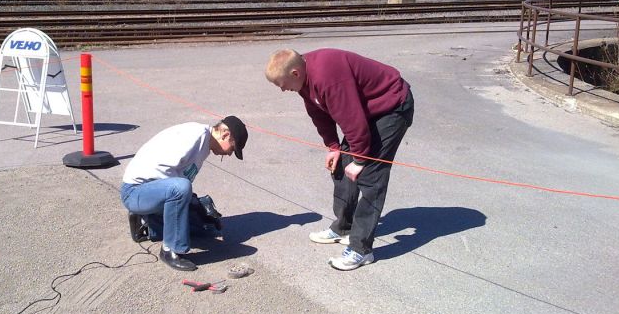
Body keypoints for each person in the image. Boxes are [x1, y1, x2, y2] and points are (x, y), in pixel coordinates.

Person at [265, 48, 414, 271]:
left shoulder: (328, 77)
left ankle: (361, 250)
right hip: (368, 111)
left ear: (295, 73)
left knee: (372, 176)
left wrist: (361, 160)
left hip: (392, 106)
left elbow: (352, 119)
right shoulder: (305, 78)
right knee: (341, 164)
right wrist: (334, 147)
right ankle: (344, 226)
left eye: (281, 84)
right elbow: (318, 113)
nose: (282, 89)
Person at [120, 116, 248, 271]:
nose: (229, 154)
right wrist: (189, 200)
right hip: (135, 192)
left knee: (204, 229)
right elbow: (167, 177)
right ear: (225, 135)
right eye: (232, 149)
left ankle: (146, 224)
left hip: (152, 191)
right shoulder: (194, 137)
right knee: (182, 189)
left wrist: (195, 207)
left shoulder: (204, 143)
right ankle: (170, 250)